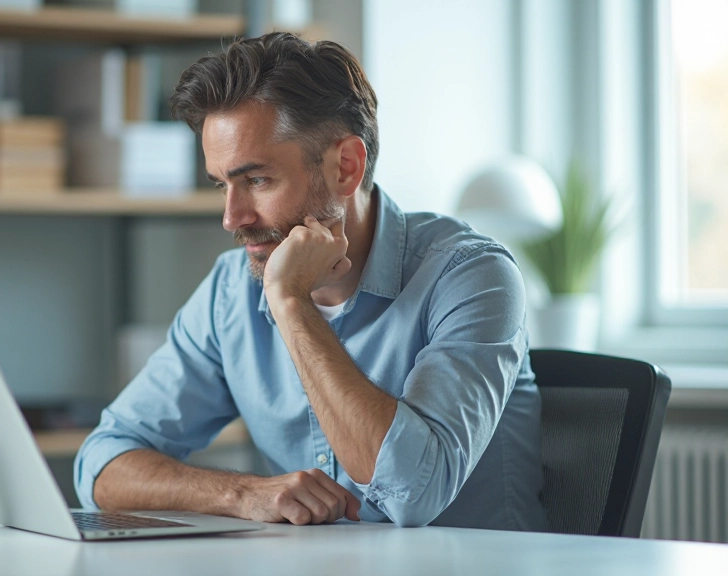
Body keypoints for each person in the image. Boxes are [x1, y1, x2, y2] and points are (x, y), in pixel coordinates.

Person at [73, 32, 549, 531]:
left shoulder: (471, 277)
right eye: (222, 184)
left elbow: (415, 493)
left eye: (256, 180)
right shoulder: (230, 293)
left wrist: (291, 303)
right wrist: (242, 494)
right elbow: (102, 463)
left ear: (346, 167)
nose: (231, 218)